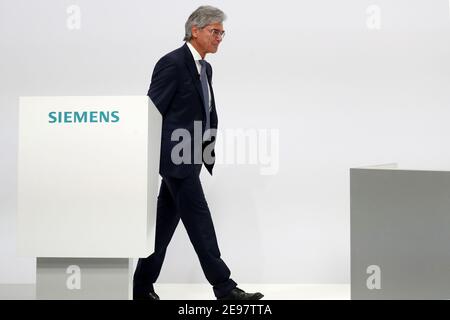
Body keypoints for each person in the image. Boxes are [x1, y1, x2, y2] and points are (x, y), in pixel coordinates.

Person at [133, 6, 264, 300]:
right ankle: (225, 287)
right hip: (174, 159)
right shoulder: (172, 63)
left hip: (191, 157)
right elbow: (152, 111)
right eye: (214, 32)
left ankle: (141, 287)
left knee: (163, 227)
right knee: (200, 222)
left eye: (222, 33)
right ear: (195, 30)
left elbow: (206, 111)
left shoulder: (206, 67)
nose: (219, 38)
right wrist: (161, 156)